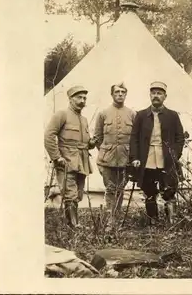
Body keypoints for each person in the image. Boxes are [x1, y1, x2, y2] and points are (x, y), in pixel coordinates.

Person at [129, 81, 185, 225]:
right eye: (153, 93)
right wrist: (135, 157)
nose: (156, 96)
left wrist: (175, 155)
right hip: (147, 158)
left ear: (165, 96)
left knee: (169, 189)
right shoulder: (141, 115)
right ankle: (152, 221)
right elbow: (134, 138)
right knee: (149, 190)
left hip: (166, 158)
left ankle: (170, 221)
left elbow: (180, 137)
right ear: (149, 95)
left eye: (159, 93)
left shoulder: (172, 115)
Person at [44, 86, 96, 228]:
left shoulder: (84, 119)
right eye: (78, 97)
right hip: (66, 161)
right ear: (70, 99)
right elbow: (48, 135)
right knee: (70, 194)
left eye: (84, 98)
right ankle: (73, 225)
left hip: (82, 161)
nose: (82, 101)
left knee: (78, 194)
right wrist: (56, 157)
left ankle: (73, 222)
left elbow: (84, 143)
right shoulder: (62, 115)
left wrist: (92, 143)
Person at [93, 83, 136, 230]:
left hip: (125, 158)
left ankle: (117, 217)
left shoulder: (132, 114)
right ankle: (110, 220)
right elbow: (97, 137)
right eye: (117, 92)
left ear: (126, 94)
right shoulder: (103, 114)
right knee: (110, 188)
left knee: (121, 188)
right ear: (112, 94)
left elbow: (135, 138)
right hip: (107, 159)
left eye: (123, 92)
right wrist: (106, 150)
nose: (120, 94)